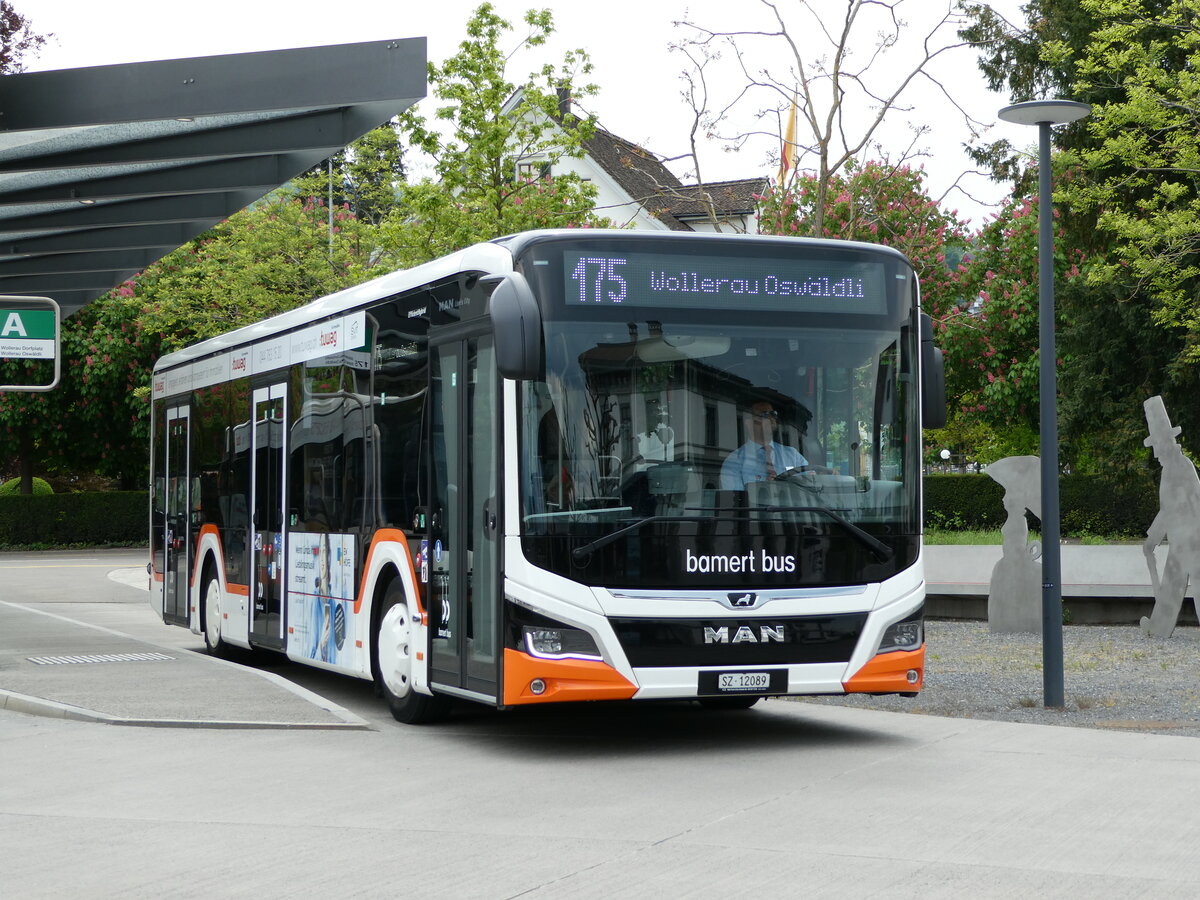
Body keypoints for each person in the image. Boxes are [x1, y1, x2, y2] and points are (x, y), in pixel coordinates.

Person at [720, 400, 808, 490]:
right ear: (749, 423)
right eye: (764, 414)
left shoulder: (793, 455)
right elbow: (737, 501)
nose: (771, 418)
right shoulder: (734, 461)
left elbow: (810, 485)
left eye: (773, 414)